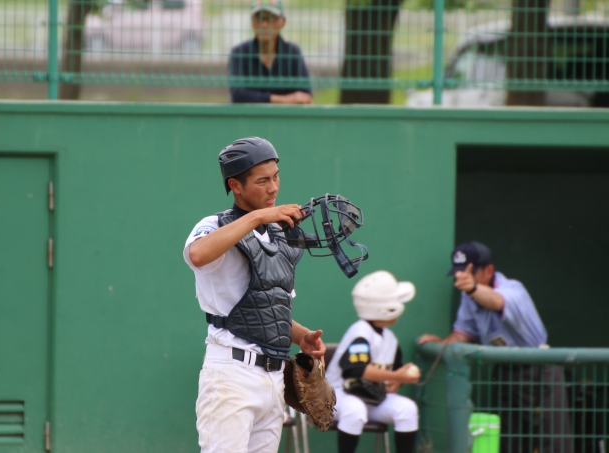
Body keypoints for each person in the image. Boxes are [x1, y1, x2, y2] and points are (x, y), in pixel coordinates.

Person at [183, 136, 326, 453]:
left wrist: (300, 336)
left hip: (274, 377)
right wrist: (258, 217)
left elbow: (265, 307)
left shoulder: (278, 233)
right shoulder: (215, 224)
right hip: (231, 374)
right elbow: (198, 255)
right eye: (262, 181)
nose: (273, 188)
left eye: (276, 177)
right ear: (235, 185)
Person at [419, 241, 572, 453]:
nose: (462, 278)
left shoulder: (513, 289)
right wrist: (443, 344)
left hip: (539, 370)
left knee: (551, 440)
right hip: (506, 371)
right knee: (511, 440)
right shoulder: (469, 296)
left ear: (488, 270)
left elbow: (496, 301)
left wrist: (473, 288)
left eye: (470, 272)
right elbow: (463, 333)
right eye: (459, 272)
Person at [326, 270, 421, 453]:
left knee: (407, 409)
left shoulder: (390, 338)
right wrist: (397, 376)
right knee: (355, 410)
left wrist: (397, 381)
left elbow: (395, 372)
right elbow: (356, 370)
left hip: (371, 397)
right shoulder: (361, 332)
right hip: (338, 396)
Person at [228, 0, 312, 104]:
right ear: (252, 22)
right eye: (259, 18)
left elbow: (305, 95)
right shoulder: (239, 53)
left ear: (283, 22)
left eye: (271, 18)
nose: (264, 24)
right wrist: (284, 99)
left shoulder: (292, 53)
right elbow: (238, 94)